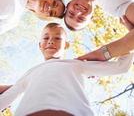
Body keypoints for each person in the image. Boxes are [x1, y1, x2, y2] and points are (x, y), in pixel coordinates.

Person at [0, 22, 133, 116]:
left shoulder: (76, 64)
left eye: (57, 38)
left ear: (66, 45)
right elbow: (6, 98)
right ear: (40, 45)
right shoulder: (29, 73)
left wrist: (130, 38)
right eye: (46, 38)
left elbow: (120, 67)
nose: (51, 41)